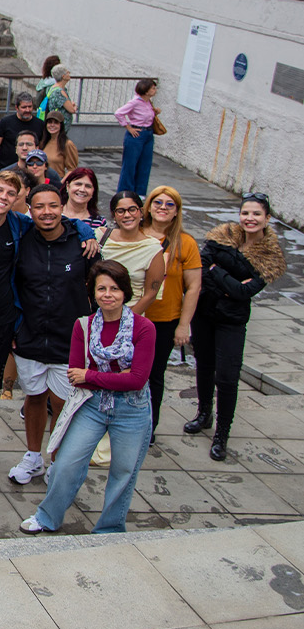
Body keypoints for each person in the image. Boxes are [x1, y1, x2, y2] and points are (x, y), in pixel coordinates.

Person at [20, 260, 156, 535]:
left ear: (125, 292)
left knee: (123, 472)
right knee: (66, 463)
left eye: (115, 289)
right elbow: (74, 374)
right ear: (92, 292)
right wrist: (116, 375)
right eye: (101, 289)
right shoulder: (84, 326)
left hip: (132, 409)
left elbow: (137, 380)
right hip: (91, 405)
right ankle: (47, 517)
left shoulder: (144, 328)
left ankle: (110, 528)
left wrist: (91, 375)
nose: (108, 295)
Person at [8, 185, 96, 486]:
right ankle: (33, 457)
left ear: (62, 207)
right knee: (33, 398)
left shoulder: (81, 243)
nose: (47, 212)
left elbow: (98, 287)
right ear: (30, 210)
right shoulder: (22, 240)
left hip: (69, 339)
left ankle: (57, 461)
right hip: (29, 336)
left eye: (53, 205)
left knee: (62, 403)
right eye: (40, 206)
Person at [185, 194, 285, 460]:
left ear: (267, 218)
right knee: (204, 365)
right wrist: (230, 284)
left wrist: (218, 271)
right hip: (204, 312)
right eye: (245, 213)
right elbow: (201, 267)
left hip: (232, 320)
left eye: (256, 214)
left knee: (227, 377)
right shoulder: (223, 236)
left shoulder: (270, 256)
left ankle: (222, 434)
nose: (250, 219)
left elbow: (245, 292)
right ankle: (204, 413)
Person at [141, 186, 201, 438]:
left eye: (169, 204)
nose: (163, 208)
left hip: (164, 320)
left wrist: (183, 325)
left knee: (154, 375)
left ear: (177, 211)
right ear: (149, 206)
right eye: (158, 202)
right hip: (133, 316)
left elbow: (194, 287)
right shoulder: (135, 233)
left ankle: (148, 427)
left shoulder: (185, 243)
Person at [98, 191, 165, 316]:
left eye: (132, 209)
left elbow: (151, 294)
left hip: (131, 316)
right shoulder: (100, 237)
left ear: (141, 212)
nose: (127, 215)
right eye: (120, 211)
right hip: (97, 314)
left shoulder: (152, 248)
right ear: (114, 215)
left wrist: (126, 320)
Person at [115, 78, 160, 195]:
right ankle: (126, 191)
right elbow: (118, 113)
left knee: (145, 164)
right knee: (130, 165)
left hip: (148, 133)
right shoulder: (135, 102)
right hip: (137, 134)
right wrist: (128, 127)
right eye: (153, 88)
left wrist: (155, 112)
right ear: (146, 90)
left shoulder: (148, 102)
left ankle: (140, 192)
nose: (155, 90)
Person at [0, 93, 44, 170]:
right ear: (16, 107)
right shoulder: (5, 122)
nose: (27, 110)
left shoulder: (40, 124)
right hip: (6, 168)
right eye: (24, 107)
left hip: (31, 169)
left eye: (30, 107)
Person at [41, 64, 77, 136]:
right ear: (63, 76)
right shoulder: (59, 92)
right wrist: (75, 106)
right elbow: (72, 110)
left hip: (57, 124)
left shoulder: (53, 88)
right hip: (59, 126)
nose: (69, 73)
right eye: (67, 72)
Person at [40, 111, 78, 178]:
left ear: (61, 125)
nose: (52, 125)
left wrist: (61, 182)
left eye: (56, 122)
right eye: (50, 122)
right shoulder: (43, 142)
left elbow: (72, 169)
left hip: (57, 180)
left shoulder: (67, 144)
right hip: (43, 180)